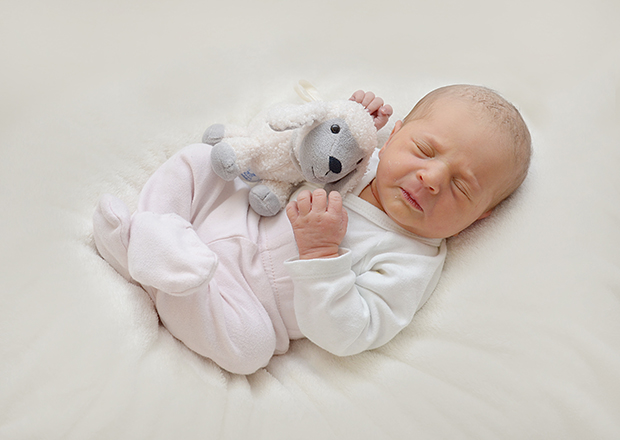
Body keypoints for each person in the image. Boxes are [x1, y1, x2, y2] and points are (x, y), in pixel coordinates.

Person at [93, 85, 531, 375]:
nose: (431, 178)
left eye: (461, 187)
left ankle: (149, 258)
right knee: (199, 161)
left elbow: (351, 332)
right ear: (395, 135)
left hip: (237, 298)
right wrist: (353, 120)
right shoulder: (368, 159)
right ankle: (157, 229)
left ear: (480, 217)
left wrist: (322, 253)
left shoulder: (411, 260)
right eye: (424, 149)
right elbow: (305, 146)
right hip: (236, 214)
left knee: (249, 351)